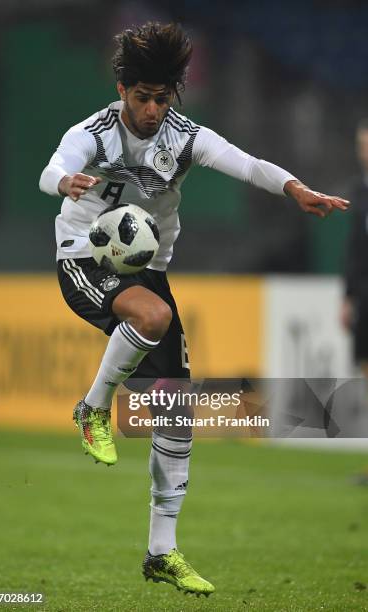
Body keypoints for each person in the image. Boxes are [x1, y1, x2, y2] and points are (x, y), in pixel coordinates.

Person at [39, 22, 349, 597]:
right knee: (151, 319)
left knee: (176, 410)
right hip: (86, 257)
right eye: (142, 98)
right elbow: (49, 170)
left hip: (146, 269)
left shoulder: (184, 136)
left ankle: (162, 551)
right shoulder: (94, 134)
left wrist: (296, 189)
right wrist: (65, 184)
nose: (153, 109)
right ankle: (92, 409)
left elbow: (248, 163)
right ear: (121, 89)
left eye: (162, 98)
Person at [341, 119, 368, 377]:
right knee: (362, 354)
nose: (364, 151)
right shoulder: (359, 189)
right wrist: (348, 297)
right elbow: (354, 247)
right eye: (361, 145)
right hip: (364, 288)